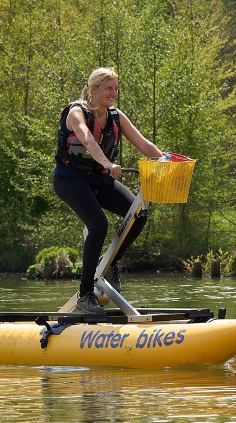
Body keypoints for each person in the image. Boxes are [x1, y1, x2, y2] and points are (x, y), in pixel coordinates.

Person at [54, 67, 164, 313]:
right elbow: (87, 139)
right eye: (108, 89)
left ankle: (111, 263)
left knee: (138, 213)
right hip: (70, 179)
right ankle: (85, 295)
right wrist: (106, 162)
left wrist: (167, 159)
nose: (113, 94)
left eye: (115, 89)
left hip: (99, 179)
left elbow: (145, 144)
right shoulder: (76, 113)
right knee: (98, 225)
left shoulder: (116, 116)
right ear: (93, 89)